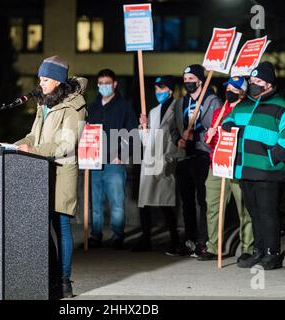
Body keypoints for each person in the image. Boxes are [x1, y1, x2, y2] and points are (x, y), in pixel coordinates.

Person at [14, 55, 87, 298]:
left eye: (45, 79)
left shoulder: (75, 106)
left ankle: (64, 282)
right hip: (40, 171)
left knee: (61, 224)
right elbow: (34, 135)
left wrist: (33, 150)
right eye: (40, 79)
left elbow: (67, 144)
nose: (41, 83)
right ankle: (49, 275)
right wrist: (17, 145)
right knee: (41, 225)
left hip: (62, 171)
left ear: (57, 81)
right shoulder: (43, 103)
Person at [222, 61, 285, 270]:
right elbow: (227, 120)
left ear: (268, 84)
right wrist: (229, 125)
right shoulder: (244, 104)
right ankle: (258, 251)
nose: (252, 84)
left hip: (268, 170)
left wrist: (272, 157)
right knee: (254, 213)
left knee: (267, 213)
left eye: (258, 81)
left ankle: (271, 253)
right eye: (251, 80)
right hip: (245, 168)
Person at [198, 76, 254, 265]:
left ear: (243, 91)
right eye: (227, 87)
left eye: (234, 88)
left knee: (244, 208)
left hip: (237, 165)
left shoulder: (248, 110)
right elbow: (212, 141)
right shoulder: (219, 111)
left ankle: (248, 248)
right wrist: (210, 135)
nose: (229, 90)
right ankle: (213, 246)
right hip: (217, 165)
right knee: (213, 207)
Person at [172, 64, 222, 257]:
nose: (188, 83)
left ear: (200, 80)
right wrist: (179, 139)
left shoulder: (211, 100)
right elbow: (175, 128)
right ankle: (190, 240)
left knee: (204, 200)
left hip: (203, 156)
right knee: (187, 202)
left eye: (192, 79)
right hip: (185, 157)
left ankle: (204, 241)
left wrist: (197, 136)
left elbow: (214, 127)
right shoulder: (181, 102)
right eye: (185, 80)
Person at [86, 69, 138, 249]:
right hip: (94, 162)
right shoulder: (91, 108)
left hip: (114, 163)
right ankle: (95, 235)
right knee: (95, 203)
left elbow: (133, 134)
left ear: (114, 84)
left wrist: (123, 154)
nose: (104, 86)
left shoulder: (124, 107)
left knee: (117, 203)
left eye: (107, 83)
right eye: (100, 84)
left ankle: (117, 236)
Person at [132, 76, 181, 256]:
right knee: (145, 201)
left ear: (170, 90)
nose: (159, 92)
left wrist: (171, 156)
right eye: (156, 88)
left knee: (165, 202)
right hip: (150, 159)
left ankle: (175, 239)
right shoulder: (152, 112)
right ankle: (146, 238)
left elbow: (177, 136)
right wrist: (143, 127)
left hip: (166, 159)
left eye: (162, 88)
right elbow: (146, 141)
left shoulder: (178, 109)